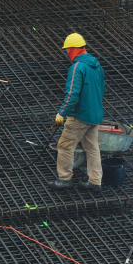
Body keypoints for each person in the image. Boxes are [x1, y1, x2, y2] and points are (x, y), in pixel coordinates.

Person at [48, 33, 105, 192]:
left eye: (67, 50)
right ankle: (95, 181)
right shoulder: (96, 65)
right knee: (92, 147)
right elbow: (102, 89)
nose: (67, 53)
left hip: (80, 116)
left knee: (65, 146)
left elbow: (72, 94)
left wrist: (62, 113)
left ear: (73, 49)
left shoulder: (77, 67)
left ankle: (65, 179)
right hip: (95, 115)